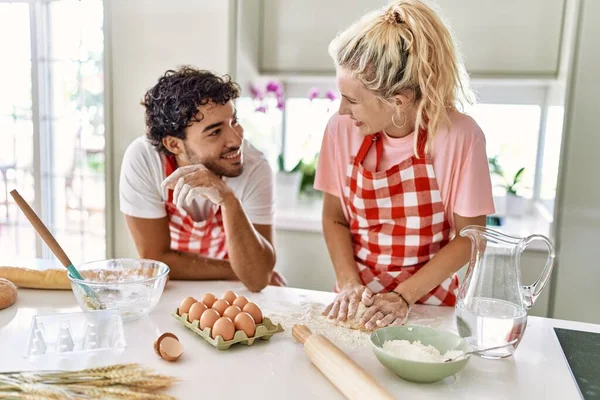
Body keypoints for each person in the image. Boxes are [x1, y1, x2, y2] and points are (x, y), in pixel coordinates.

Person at [314, 0, 494, 330]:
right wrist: (349, 283)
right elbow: (334, 217)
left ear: (398, 101)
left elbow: (470, 236)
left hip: (430, 307)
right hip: (358, 304)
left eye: (352, 100)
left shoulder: (459, 137)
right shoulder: (341, 129)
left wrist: (402, 297)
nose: (341, 110)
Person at [119, 66, 285, 292]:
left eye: (233, 121)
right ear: (174, 145)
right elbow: (156, 261)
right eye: (215, 132)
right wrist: (238, 269)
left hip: (234, 291)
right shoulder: (145, 160)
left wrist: (227, 198)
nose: (236, 140)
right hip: (174, 289)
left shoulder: (254, 167)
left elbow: (256, 280)